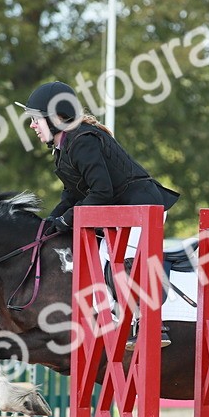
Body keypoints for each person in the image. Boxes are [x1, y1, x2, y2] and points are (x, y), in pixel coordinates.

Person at [16, 81, 180, 348]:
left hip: (142, 208)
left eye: (36, 119)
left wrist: (68, 219)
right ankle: (115, 318)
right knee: (97, 256)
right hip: (121, 212)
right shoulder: (64, 148)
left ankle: (151, 325)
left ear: (56, 118)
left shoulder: (82, 141)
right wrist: (46, 226)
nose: (33, 126)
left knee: (115, 260)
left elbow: (101, 192)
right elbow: (71, 196)